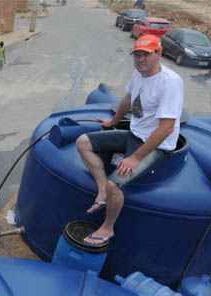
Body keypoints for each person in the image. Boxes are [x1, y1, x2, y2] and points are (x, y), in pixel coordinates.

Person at [75, 34, 183, 246]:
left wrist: (135, 158)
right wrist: (113, 121)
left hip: (156, 144)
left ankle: (107, 227)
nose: (140, 59)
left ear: (158, 54)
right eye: (137, 55)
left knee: (116, 186)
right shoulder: (138, 74)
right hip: (134, 133)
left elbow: (166, 128)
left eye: (146, 54)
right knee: (82, 142)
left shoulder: (170, 83)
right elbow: (127, 99)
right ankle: (101, 189)